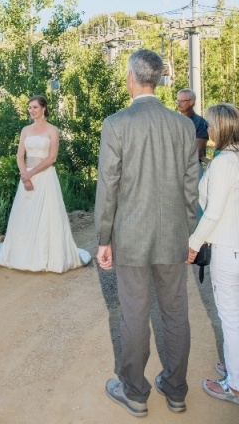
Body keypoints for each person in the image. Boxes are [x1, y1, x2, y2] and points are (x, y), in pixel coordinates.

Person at [95, 49, 199, 417]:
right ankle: (175, 390)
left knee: (134, 313)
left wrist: (103, 239)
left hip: (131, 237)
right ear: (157, 79)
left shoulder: (117, 123)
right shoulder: (183, 125)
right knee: (175, 312)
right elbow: (192, 186)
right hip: (173, 236)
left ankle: (135, 392)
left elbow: (109, 186)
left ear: (131, 77)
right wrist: (192, 235)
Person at [187, 103, 239, 406]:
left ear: (222, 127)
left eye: (210, 124)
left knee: (231, 319)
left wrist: (193, 244)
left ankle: (237, 387)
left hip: (231, 249)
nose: (207, 129)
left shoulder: (224, 163)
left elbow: (213, 211)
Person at [0, 95, 91, 273]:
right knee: (24, 215)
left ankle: (48, 256)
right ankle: (22, 254)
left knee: (47, 215)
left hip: (45, 176)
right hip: (26, 175)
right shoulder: (25, 130)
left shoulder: (53, 130)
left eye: (35, 107)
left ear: (44, 108)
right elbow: (20, 155)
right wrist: (24, 175)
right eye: (29, 108)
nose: (32, 111)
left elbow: (52, 158)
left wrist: (31, 174)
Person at [177, 89, 209, 165]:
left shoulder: (200, 122)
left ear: (192, 102)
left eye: (182, 101)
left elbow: (198, 152)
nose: (179, 104)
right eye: (178, 101)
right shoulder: (173, 120)